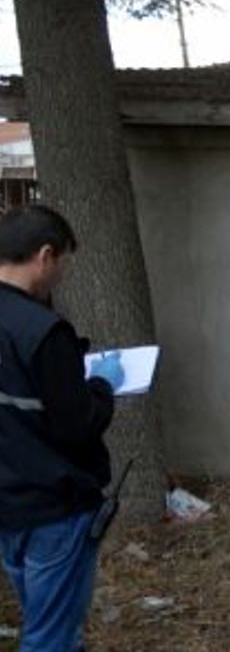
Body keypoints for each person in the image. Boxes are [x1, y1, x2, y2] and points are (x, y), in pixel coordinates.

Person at [0, 205, 126, 651]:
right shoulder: (43, 331)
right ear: (45, 256)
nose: (63, 276)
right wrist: (102, 385)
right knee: (50, 635)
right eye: (65, 264)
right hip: (55, 507)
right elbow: (78, 423)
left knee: (44, 618)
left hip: (8, 504)